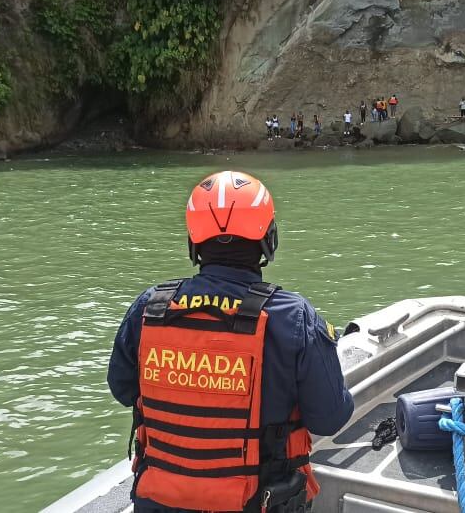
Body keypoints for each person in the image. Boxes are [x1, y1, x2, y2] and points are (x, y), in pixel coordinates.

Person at [108, 171, 354, 513]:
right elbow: (330, 418)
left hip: (159, 500)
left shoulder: (151, 307)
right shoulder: (293, 316)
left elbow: (122, 389)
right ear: (269, 238)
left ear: (193, 242)